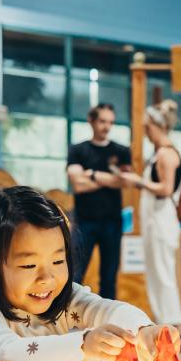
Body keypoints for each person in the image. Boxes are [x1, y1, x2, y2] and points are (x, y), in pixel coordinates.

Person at [0, 185, 170, 361]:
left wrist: (143, 330)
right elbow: (10, 356)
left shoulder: (66, 299)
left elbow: (106, 310)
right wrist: (82, 345)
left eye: (58, 262)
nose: (47, 278)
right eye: (29, 265)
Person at [67, 103, 134, 300]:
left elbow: (124, 181)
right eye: (102, 121)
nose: (106, 126)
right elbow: (77, 185)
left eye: (110, 122)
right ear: (92, 121)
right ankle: (68, 316)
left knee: (109, 278)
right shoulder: (78, 150)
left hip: (112, 222)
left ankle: (109, 319)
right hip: (84, 221)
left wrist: (93, 174)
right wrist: (109, 180)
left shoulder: (121, 151)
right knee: (75, 275)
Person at [135, 100, 181, 325]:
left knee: (164, 276)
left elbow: (166, 188)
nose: (146, 133)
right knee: (155, 275)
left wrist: (137, 181)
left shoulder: (167, 155)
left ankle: (172, 324)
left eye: (147, 128)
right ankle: (163, 321)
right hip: (153, 221)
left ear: (157, 126)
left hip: (161, 221)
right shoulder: (158, 154)